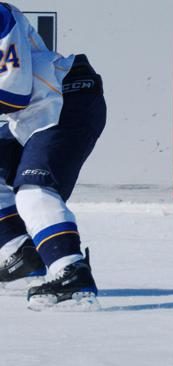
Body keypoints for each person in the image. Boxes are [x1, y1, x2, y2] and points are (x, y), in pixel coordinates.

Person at [0, 3, 105, 310]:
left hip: (67, 98)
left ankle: (70, 271)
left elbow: (13, 93)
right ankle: (21, 255)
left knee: (34, 191)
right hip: (37, 114)